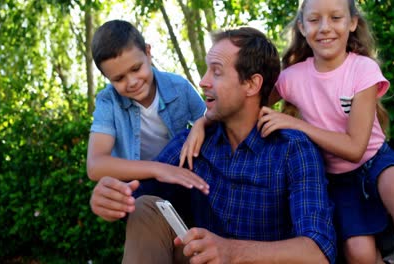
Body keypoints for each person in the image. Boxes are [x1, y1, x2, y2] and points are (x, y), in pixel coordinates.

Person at [90, 27, 337, 263]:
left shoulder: (292, 149)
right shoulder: (191, 144)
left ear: (251, 84)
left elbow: (318, 251)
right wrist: (109, 198)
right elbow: (135, 195)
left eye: (216, 72)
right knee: (145, 207)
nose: (202, 82)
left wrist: (232, 252)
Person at [254, 0, 394, 263]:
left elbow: (355, 148)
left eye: (336, 18)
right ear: (302, 27)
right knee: (358, 251)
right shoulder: (291, 77)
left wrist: (296, 123)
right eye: (314, 20)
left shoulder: (363, 69)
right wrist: (204, 122)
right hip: (338, 180)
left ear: (352, 23)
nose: (325, 28)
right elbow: (248, 105)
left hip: (375, 161)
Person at [87, 19, 210, 221]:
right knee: (142, 216)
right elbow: (95, 165)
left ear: (148, 52)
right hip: (140, 189)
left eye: (136, 68)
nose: (132, 82)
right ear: (107, 78)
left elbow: (211, 119)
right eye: (119, 79)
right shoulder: (108, 101)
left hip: (181, 180)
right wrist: (159, 169)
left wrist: (201, 123)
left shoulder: (179, 87)